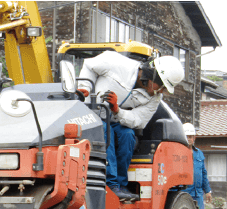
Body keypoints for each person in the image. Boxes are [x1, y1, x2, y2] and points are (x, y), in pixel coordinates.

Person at [78, 51, 184, 201]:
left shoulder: (154, 98)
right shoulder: (116, 62)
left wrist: (117, 110)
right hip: (90, 115)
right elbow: (89, 66)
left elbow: (138, 119)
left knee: (127, 135)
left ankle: (119, 186)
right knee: (103, 131)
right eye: (161, 86)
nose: (161, 91)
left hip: (114, 119)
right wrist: (85, 87)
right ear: (152, 74)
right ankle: (110, 183)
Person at [183, 122, 212, 209]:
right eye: (187, 136)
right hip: (183, 192)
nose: (189, 139)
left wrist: (208, 191)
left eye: (191, 136)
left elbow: (204, 173)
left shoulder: (199, 153)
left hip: (198, 192)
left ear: (194, 138)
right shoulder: (178, 153)